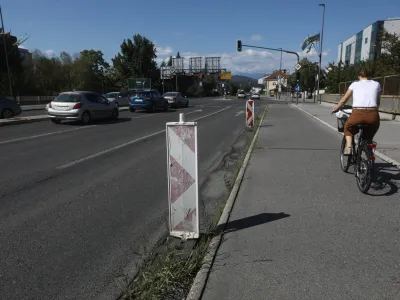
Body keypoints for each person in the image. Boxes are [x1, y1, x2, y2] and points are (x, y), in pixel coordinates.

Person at [332, 68, 381, 155]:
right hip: (373, 114)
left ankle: (348, 147)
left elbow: (344, 100)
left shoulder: (354, 84)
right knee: (369, 134)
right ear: (369, 76)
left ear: (359, 76)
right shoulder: (376, 84)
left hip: (358, 113)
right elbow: (377, 101)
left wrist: (336, 108)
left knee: (347, 127)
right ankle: (369, 152)